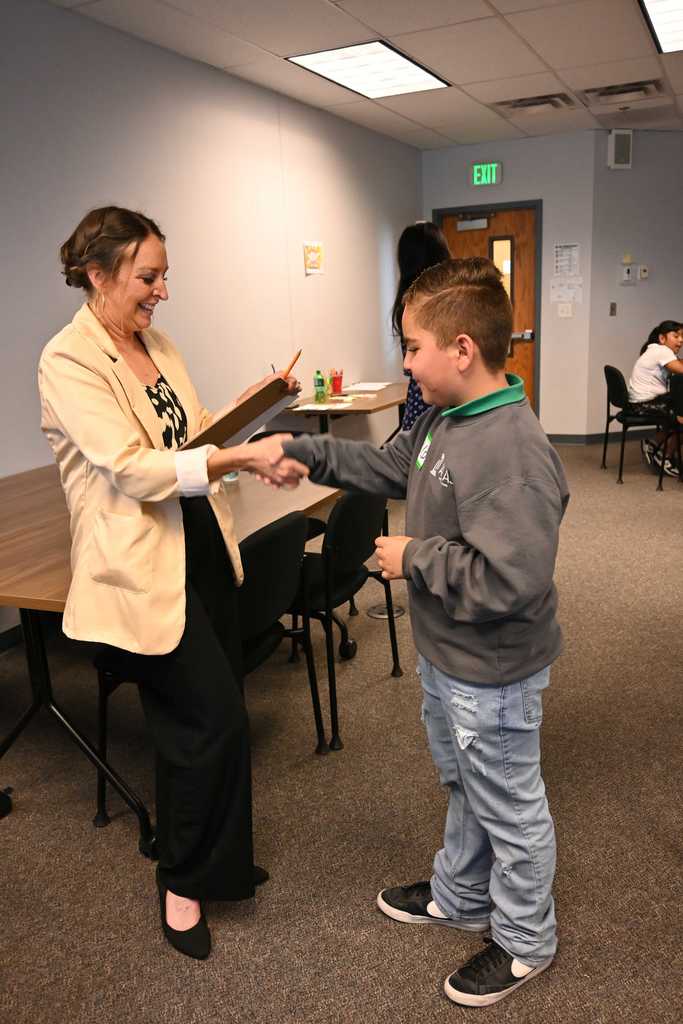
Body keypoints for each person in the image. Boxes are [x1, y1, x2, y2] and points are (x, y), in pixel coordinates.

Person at [264, 257, 569, 1006]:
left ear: (461, 350)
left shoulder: (511, 450)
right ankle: (459, 894)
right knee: (465, 785)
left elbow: (512, 580)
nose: (403, 361)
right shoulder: (443, 417)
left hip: (492, 667)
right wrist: (301, 450)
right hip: (451, 657)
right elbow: (383, 465)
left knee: (509, 804)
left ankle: (527, 941)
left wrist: (415, 557)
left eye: (411, 346)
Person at [38, 206, 307, 960]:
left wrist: (254, 408)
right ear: (98, 274)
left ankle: (219, 865)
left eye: (164, 275)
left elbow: (189, 440)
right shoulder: (69, 359)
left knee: (219, 719)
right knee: (206, 723)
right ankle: (180, 880)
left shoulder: (156, 343)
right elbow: (130, 467)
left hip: (198, 545)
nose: (162, 292)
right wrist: (234, 461)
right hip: (138, 565)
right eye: (148, 276)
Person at [391, 221, 450, 430]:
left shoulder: (409, 305)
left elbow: (412, 370)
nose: (407, 362)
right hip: (437, 400)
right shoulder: (448, 300)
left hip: (425, 401)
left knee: (421, 456)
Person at [628, 320, 683, 476]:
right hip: (646, 404)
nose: (681, 340)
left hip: (640, 402)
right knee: (681, 418)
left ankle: (653, 443)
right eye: (676, 335)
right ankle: (665, 456)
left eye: (682, 336)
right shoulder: (662, 351)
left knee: (679, 410)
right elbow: (680, 369)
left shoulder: (655, 350)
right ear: (662, 338)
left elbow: (678, 363)